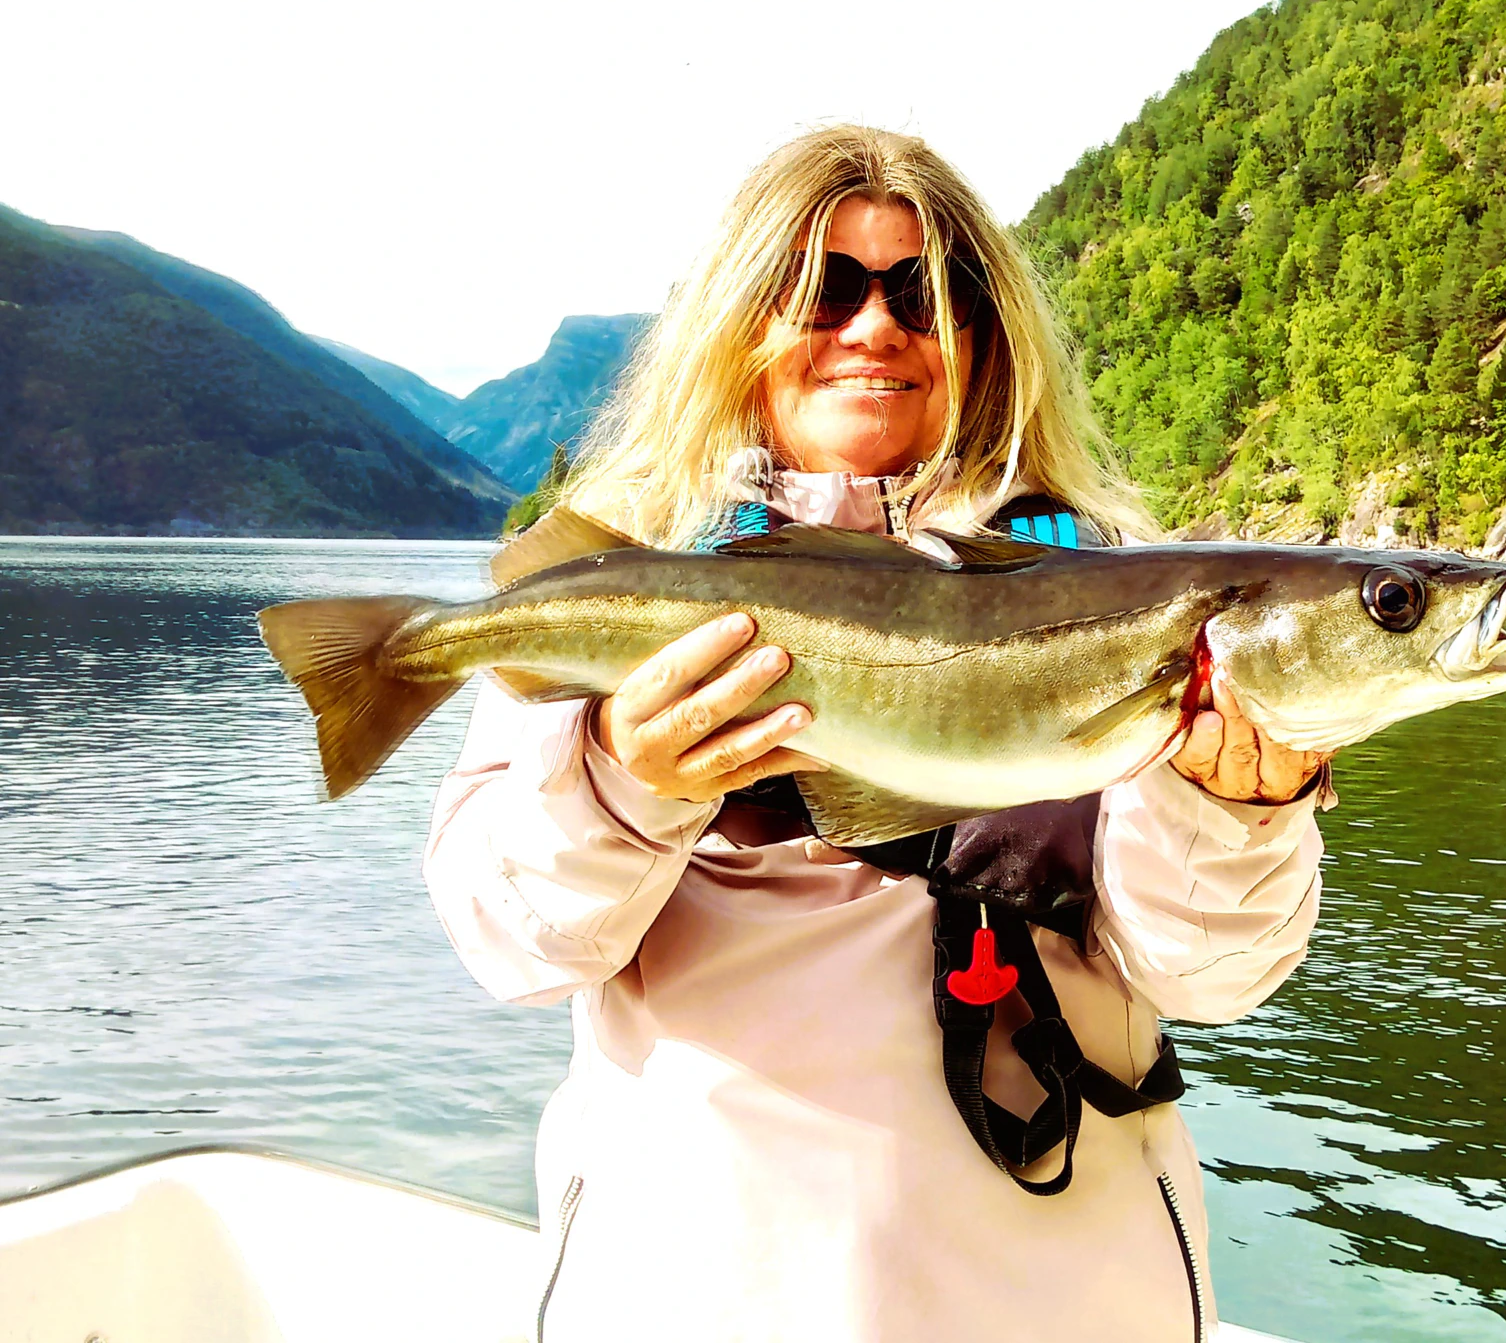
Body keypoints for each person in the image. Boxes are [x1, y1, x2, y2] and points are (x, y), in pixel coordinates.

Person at [424, 125, 1331, 1342]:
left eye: (927, 291)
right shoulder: (624, 590)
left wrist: (1238, 813)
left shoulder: (1125, 594)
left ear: (985, 335)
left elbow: (1212, 975)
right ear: (747, 324)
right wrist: (619, 785)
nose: (874, 327)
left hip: (1060, 1290)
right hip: (700, 1283)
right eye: (822, 288)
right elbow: (513, 945)